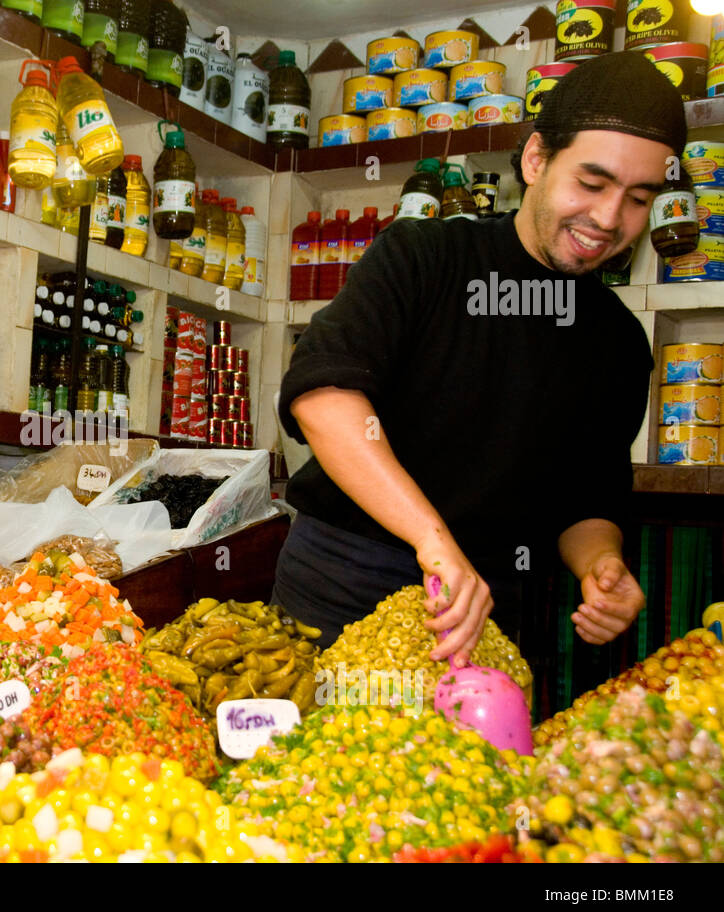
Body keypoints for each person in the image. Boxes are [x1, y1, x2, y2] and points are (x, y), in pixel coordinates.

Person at [272, 52, 685, 665]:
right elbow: (324, 399)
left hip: (491, 609)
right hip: (343, 582)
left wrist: (601, 563)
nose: (608, 218)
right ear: (537, 159)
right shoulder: (424, 256)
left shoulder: (619, 341)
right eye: (592, 184)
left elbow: (589, 499)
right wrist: (434, 543)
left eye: (637, 199)